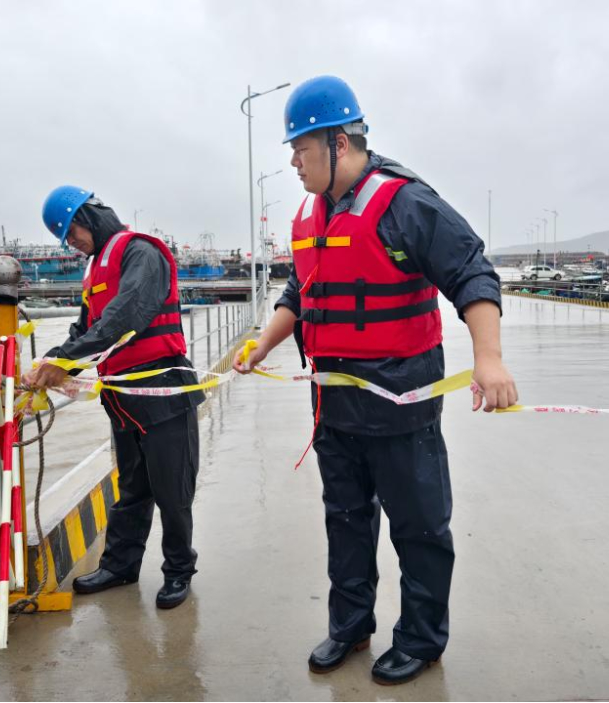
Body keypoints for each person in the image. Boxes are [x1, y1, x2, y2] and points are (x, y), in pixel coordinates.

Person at [233, 76, 518, 685]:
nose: (292, 161)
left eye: (301, 149)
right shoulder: (311, 214)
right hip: (332, 405)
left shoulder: (405, 203)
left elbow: (472, 273)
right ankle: (350, 626)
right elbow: (300, 292)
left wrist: (488, 358)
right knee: (346, 520)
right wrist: (262, 344)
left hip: (400, 402)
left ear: (339, 143)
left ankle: (420, 639)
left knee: (418, 525)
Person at [24, 186, 204, 609]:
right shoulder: (94, 270)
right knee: (131, 489)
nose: (73, 243)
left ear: (90, 215)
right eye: (66, 238)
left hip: (163, 393)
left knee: (173, 494)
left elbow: (128, 314)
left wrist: (68, 359)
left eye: (73, 232)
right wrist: (53, 359)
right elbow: (86, 326)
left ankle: (178, 571)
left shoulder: (141, 253)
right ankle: (120, 565)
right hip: (124, 400)